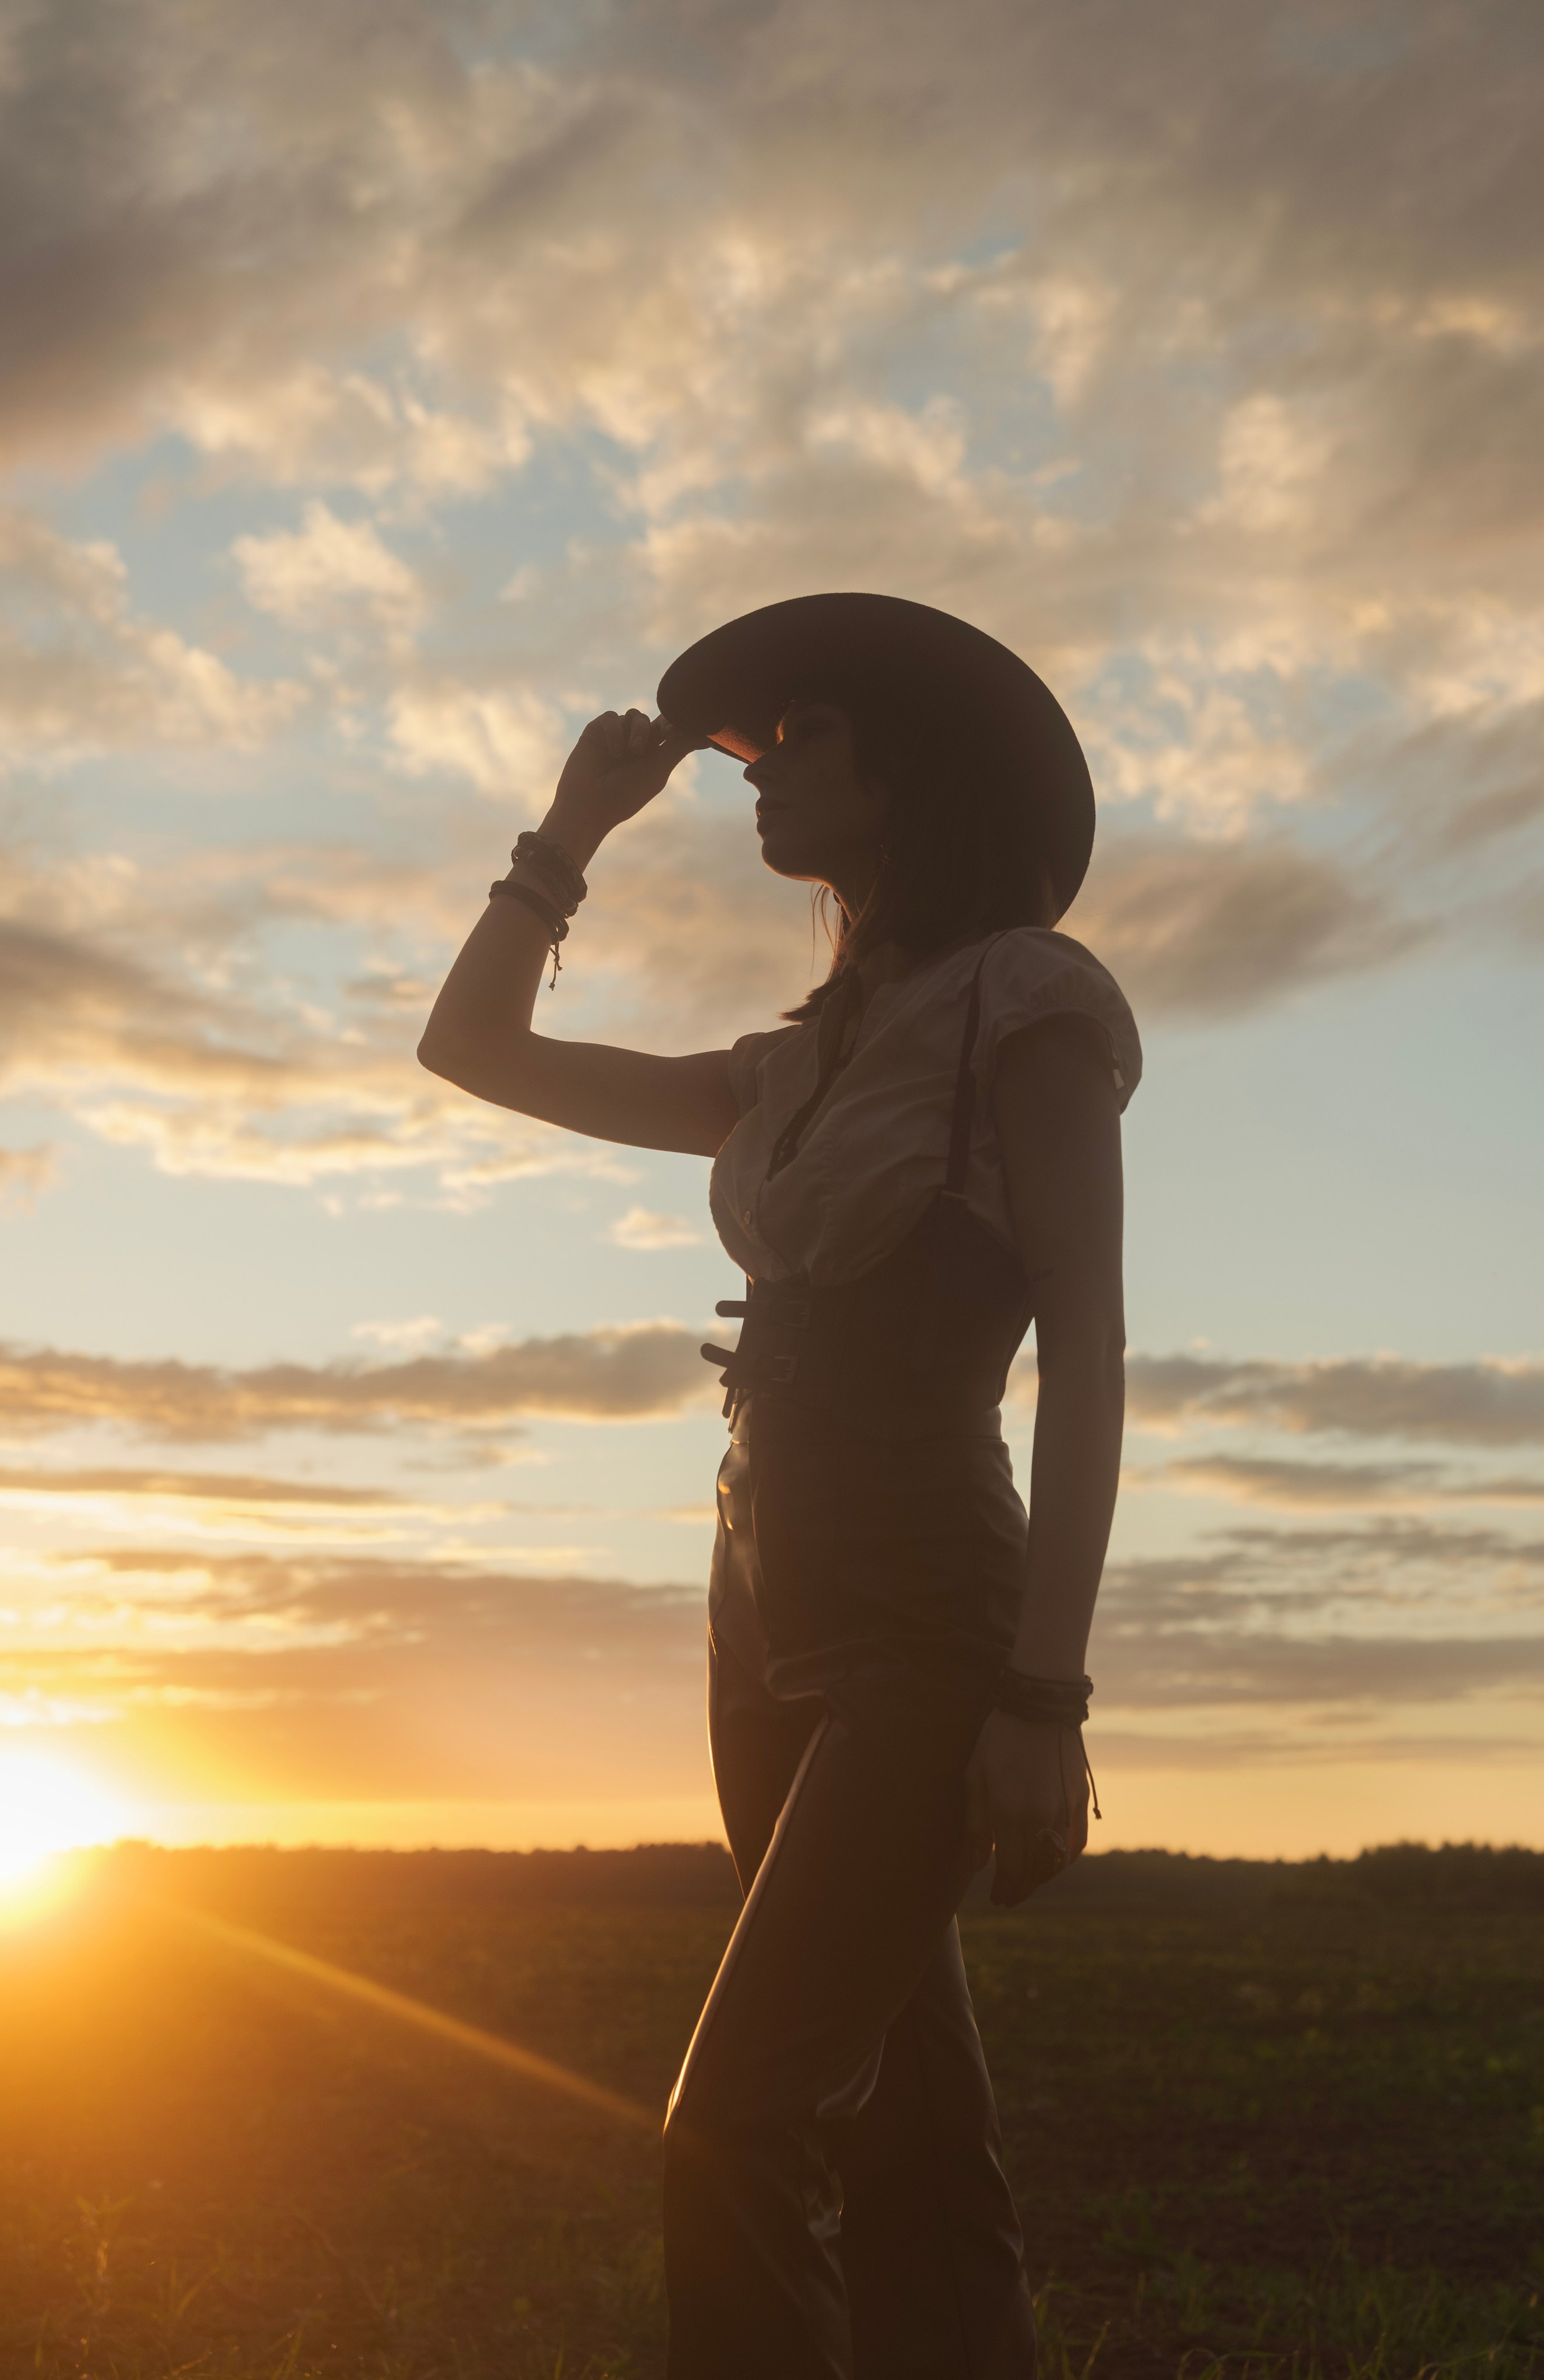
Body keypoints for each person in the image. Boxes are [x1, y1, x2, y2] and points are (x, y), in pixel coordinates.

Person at [419, 593, 1140, 2380]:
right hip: (763, 1622)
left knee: (731, 2129)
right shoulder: (790, 1062)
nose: (758, 767)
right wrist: (567, 837)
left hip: (927, 1617)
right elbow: (476, 1053)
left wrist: (1044, 1695)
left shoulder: (1024, 1006)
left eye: (797, 735)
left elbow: (1093, 1354)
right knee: (913, 2153)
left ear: (909, 774)